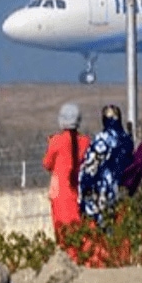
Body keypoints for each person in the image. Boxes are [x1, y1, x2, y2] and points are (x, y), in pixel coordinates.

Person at [78, 104, 134, 227]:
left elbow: (88, 168)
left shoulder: (101, 140)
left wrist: (83, 188)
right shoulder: (127, 140)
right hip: (125, 193)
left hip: (104, 192)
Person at [43, 102, 90, 242]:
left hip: (60, 191)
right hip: (79, 190)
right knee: (78, 228)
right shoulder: (86, 141)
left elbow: (47, 163)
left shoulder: (57, 141)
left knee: (62, 229)